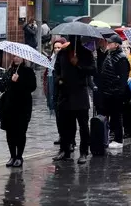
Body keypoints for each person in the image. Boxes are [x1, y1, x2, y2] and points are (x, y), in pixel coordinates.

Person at [53, 35, 95, 164]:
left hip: (80, 94)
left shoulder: (86, 54)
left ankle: (83, 152)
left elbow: (93, 70)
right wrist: (59, 80)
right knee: (65, 125)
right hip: (65, 94)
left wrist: (79, 65)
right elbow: (56, 70)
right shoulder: (63, 53)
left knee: (83, 125)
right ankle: (64, 150)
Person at [0, 56, 37, 167]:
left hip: (22, 107)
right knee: (9, 133)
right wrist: (11, 81)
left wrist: (19, 81)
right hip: (9, 106)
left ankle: (19, 156)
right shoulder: (9, 71)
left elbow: (32, 87)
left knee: (20, 133)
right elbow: (2, 86)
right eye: (14, 56)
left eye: (19, 57)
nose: (16, 59)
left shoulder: (28, 71)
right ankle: (12, 156)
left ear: (23, 59)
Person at [100, 34, 130, 148]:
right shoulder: (109, 55)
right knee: (106, 115)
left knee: (117, 116)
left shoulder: (122, 58)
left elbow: (123, 78)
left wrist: (119, 92)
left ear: (116, 45)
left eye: (110, 43)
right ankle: (107, 137)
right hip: (107, 91)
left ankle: (118, 139)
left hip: (116, 93)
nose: (108, 44)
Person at [43, 38, 67, 145]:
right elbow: (46, 74)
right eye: (55, 47)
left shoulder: (65, 60)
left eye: (59, 47)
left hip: (61, 90)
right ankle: (61, 135)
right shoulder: (50, 59)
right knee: (56, 113)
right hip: (51, 86)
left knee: (63, 115)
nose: (57, 50)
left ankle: (67, 138)